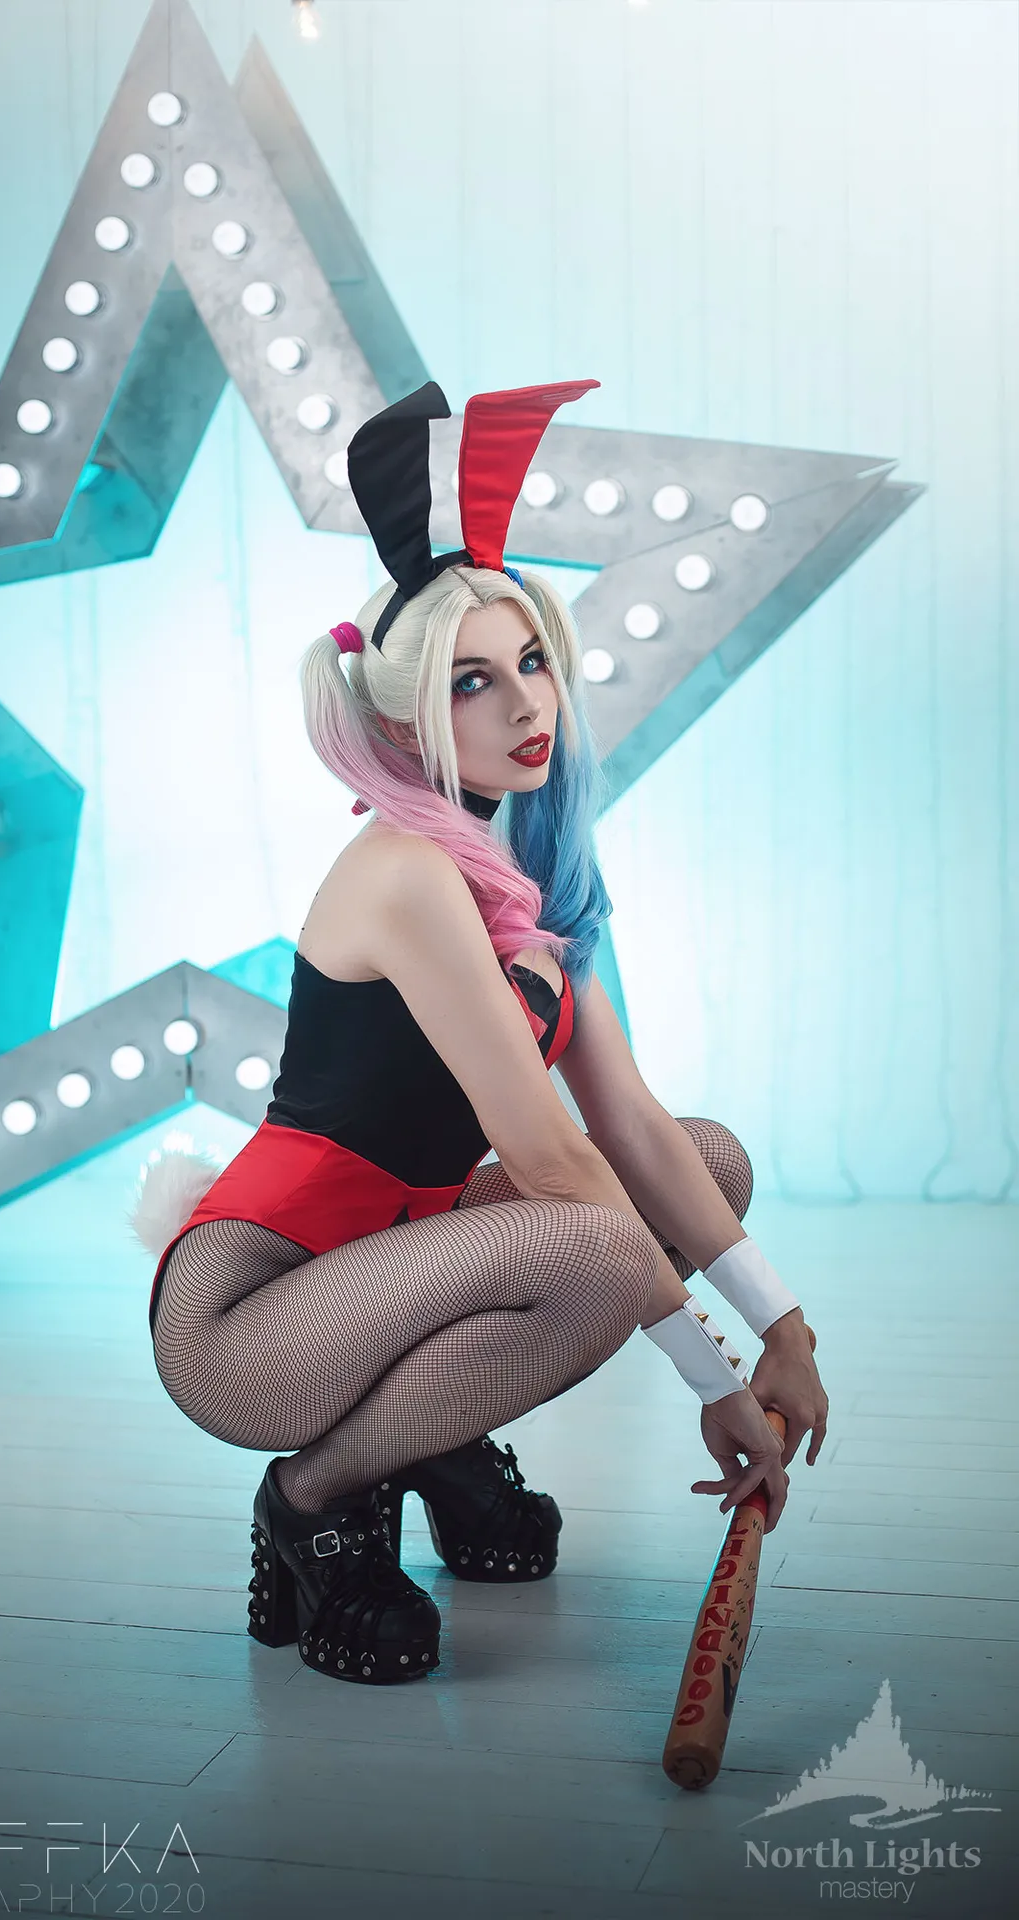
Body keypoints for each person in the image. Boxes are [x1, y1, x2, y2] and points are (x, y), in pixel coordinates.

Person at [139, 380, 830, 1687]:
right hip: (252, 1313)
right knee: (594, 1233)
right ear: (407, 718)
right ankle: (313, 1502)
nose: (524, 705)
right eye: (473, 682)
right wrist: (715, 1376)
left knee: (705, 1160)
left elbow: (626, 1125)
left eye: (532, 664)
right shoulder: (406, 872)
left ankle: (433, 1434)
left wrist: (783, 1325)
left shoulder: (534, 881)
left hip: (404, 1259)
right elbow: (554, 1158)